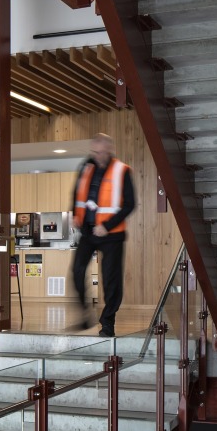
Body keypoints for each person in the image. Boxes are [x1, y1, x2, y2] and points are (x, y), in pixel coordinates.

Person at [69, 133, 136, 337]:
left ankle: (107, 324)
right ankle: (84, 315)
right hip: (88, 231)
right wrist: (74, 214)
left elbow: (129, 204)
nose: (97, 156)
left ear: (109, 149)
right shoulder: (85, 167)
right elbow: (76, 193)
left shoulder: (122, 170)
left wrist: (107, 225)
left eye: (100, 152)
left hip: (112, 234)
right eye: (94, 152)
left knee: (110, 281)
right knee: (77, 270)